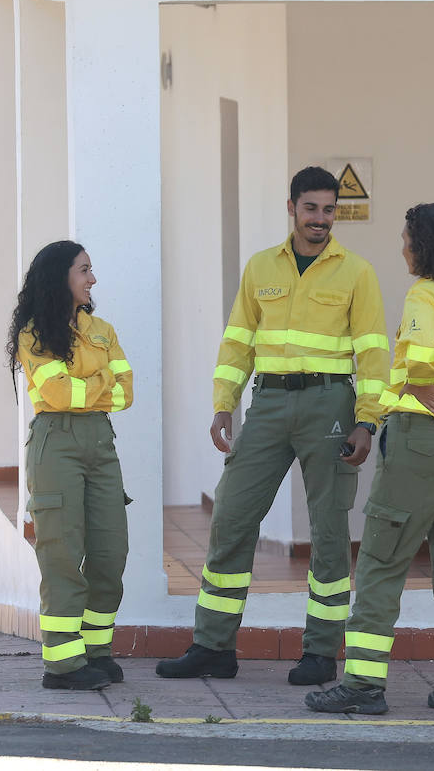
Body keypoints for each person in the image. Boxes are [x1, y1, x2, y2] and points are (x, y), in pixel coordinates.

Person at [156, 167, 390, 686]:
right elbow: (237, 342)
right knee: (232, 516)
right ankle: (214, 645)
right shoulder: (261, 267)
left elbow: (375, 355)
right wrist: (224, 404)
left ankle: (321, 653)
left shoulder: (357, 273)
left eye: (330, 210)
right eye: (311, 208)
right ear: (292, 208)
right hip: (267, 406)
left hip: (331, 405)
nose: (321, 220)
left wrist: (367, 423)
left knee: (328, 530)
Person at [306, 203, 434, 716]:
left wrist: (418, 382)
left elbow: (417, 353)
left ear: (425, 244)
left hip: (420, 437)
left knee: (380, 558)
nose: (402, 248)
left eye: (406, 239)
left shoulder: (424, 295)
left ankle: (363, 687)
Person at [8, 240, 134, 691]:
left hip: (101, 444)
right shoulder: (33, 334)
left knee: (110, 550)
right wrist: (101, 381)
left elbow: (126, 394)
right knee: (62, 554)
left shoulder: (102, 329)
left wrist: (87, 386)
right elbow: (61, 397)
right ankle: (63, 664)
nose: (92, 279)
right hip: (55, 444)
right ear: (60, 276)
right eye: (84, 270)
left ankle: (96, 651)